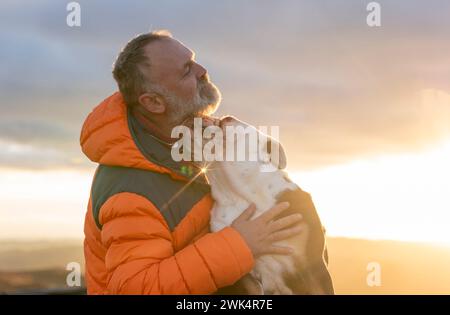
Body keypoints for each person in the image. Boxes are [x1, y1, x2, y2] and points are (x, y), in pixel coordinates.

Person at [81, 30, 303, 294]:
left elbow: (272, 161)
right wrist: (240, 245)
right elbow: (137, 288)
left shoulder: (186, 129)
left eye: (194, 60)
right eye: (186, 70)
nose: (202, 70)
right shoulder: (130, 192)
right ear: (153, 102)